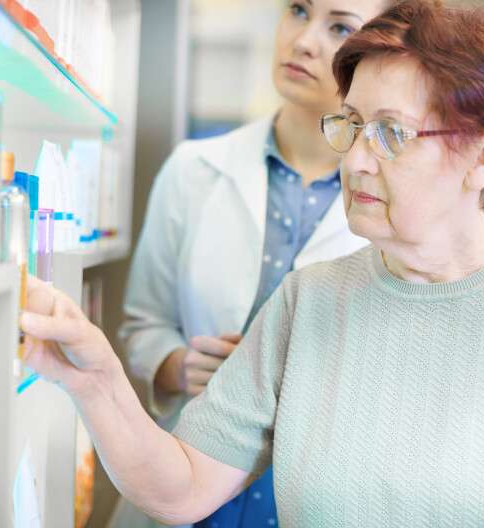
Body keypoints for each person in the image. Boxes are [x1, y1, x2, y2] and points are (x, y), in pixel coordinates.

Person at [19, 1, 484, 526]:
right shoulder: (307, 301)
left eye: (391, 134)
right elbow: (180, 488)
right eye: (351, 125)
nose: (356, 161)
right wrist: (96, 381)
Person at [120, 0, 387, 526]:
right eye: (298, 10)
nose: (303, 41)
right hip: (188, 481)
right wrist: (175, 365)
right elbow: (142, 323)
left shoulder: (389, 202)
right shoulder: (193, 169)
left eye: (339, 27)